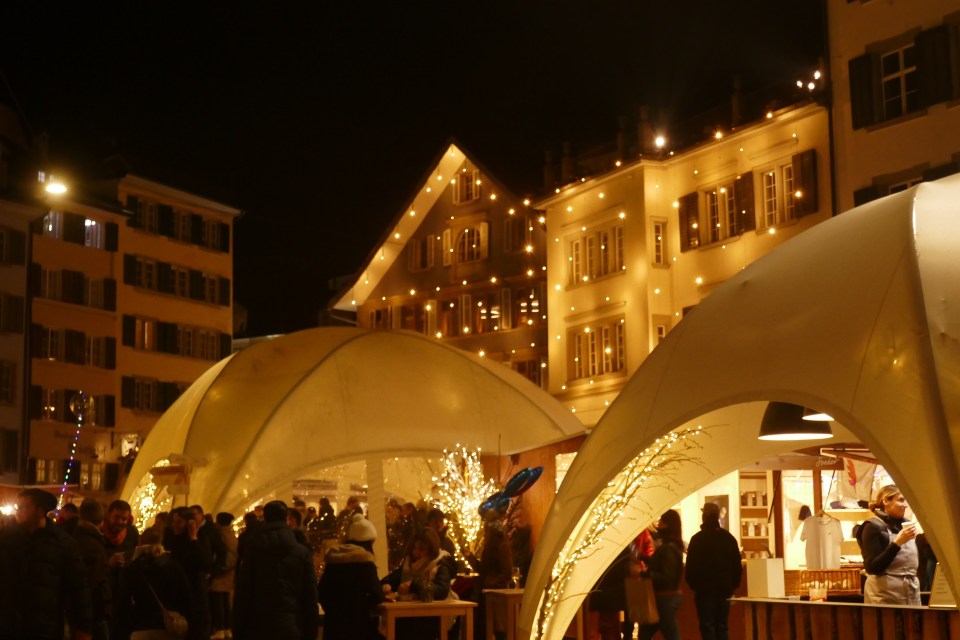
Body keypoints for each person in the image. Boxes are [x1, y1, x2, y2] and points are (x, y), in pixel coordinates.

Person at [0, 488, 93, 640]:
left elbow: (79, 588)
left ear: (40, 510)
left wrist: (84, 628)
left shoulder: (63, 544)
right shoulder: (6, 539)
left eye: (25, 507)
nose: (19, 511)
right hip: (8, 627)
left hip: (45, 628)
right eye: (19, 507)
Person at [233, 501, 319, 640]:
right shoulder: (301, 553)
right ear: (286, 518)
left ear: (265, 519)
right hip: (292, 626)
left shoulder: (254, 551)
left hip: (258, 626)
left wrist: (238, 630)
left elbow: (243, 594)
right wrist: (311, 632)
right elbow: (310, 596)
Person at [115, 528, 194, 640]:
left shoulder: (132, 569)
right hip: (169, 628)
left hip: (141, 628)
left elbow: (123, 604)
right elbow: (187, 599)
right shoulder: (173, 567)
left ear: (140, 542)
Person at [381, 527, 457, 640]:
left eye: (421, 549)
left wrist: (413, 585)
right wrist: (386, 585)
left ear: (431, 550)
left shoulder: (441, 563)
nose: (416, 553)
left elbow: (441, 590)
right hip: (407, 616)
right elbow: (392, 579)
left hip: (432, 618)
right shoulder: (409, 563)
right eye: (414, 549)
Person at [318, 513, 384, 640]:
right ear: (369, 542)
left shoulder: (334, 560)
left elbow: (321, 592)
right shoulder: (365, 562)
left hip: (333, 628)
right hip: (359, 628)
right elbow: (377, 595)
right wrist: (361, 606)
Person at [685, 502, 743, 640]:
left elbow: (691, 569)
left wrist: (696, 586)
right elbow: (737, 567)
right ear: (717, 517)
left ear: (703, 516)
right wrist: (732, 586)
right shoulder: (729, 539)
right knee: (722, 626)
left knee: (707, 626)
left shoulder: (697, 539)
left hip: (704, 591)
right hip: (724, 590)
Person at [860, 484, 920, 605]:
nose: (905, 505)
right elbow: (873, 567)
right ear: (885, 501)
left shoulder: (906, 525)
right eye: (901, 500)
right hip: (884, 595)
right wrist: (897, 543)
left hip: (910, 592)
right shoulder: (872, 527)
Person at [163, 506, 213, 640]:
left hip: (195, 596)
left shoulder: (200, 537)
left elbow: (205, 564)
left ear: (189, 523)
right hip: (176, 597)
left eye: (179, 522)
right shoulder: (169, 537)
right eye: (174, 522)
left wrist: (193, 538)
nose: (175, 526)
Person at [638, 510, 684, 640]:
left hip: (664, 599)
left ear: (667, 524)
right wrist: (643, 558)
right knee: (646, 633)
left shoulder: (668, 548)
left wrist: (644, 573)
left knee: (669, 634)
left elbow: (666, 576)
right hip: (663, 598)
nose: (658, 525)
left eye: (661, 522)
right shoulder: (671, 546)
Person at [74, 498, 113, 640]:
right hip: (93, 614)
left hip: (85, 614)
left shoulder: (78, 537)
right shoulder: (92, 543)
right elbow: (92, 582)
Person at [209, 513, 238, 640]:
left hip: (222, 572)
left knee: (218, 602)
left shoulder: (221, 534)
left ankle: (220, 629)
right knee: (225, 602)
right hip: (229, 572)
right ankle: (227, 628)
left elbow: (225, 554)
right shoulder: (231, 534)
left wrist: (216, 567)